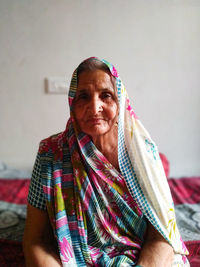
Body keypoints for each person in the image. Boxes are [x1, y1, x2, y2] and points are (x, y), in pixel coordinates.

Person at [23, 57, 189, 267]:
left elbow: (163, 236)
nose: (95, 107)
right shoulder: (51, 154)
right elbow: (35, 240)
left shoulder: (144, 155)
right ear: (72, 104)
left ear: (120, 102)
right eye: (83, 96)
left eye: (106, 95)